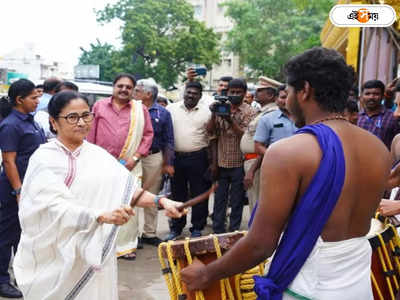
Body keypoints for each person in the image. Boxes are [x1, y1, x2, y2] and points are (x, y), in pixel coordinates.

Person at [181, 47, 391, 299]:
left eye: (288, 91)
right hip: (358, 288)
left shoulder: (288, 152)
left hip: (307, 289)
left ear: (304, 90)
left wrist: (206, 274)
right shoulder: (378, 148)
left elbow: (261, 244)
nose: (287, 99)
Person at [13, 90, 184, 300]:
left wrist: (162, 201)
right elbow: (51, 206)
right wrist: (99, 216)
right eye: (72, 117)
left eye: (86, 115)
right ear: (53, 122)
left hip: (94, 252)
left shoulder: (98, 155)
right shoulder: (44, 159)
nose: (81, 123)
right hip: (57, 254)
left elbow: (127, 191)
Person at [87, 73, 154, 260]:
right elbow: (91, 134)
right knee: (103, 202)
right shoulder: (99, 106)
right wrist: (91, 158)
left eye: (128, 87)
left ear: (133, 90)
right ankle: (102, 245)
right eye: (120, 86)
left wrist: (136, 157)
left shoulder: (140, 110)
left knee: (128, 202)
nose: (124, 89)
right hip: (101, 163)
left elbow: (148, 135)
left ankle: (126, 246)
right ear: (114, 87)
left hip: (130, 165)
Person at [0, 79, 46, 298]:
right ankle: (1, 281)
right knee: (6, 236)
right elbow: (9, 161)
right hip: (14, 189)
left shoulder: (31, 121)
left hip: (32, 187)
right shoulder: (11, 125)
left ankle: (23, 274)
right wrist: (18, 191)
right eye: (34, 97)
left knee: (23, 234)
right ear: (20, 100)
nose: (38, 101)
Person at [207, 78, 255, 234]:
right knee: (219, 199)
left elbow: (246, 137)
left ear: (244, 93)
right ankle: (218, 231)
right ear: (227, 93)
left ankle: (234, 231)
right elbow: (211, 132)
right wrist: (215, 114)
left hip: (239, 163)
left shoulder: (250, 112)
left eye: (238, 92)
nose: (234, 95)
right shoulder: (221, 107)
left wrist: (229, 119)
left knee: (237, 200)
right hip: (221, 161)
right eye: (232, 92)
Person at [165, 81, 212, 240]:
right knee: (178, 195)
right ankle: (176, 228)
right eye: (189, 92)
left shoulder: (207, 112)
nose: (191, 95)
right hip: (176, 158)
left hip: (198, 157)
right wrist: (168, 161)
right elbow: (167, 136)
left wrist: (211, 163)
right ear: (184, 92)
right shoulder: (171, 109)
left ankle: (197, 227)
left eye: (195, 93)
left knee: (199, 193)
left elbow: (212, 138)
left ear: (200, 96)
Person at [133, 79, 174, 246]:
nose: (133, 93)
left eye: (137, 91)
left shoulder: (163, 113)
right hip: (133, 158)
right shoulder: (131, 110)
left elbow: (169, 140)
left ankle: (149, 233)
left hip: (153, 158)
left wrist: (168, 163)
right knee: (131, 195)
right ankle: (132, 236)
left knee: (152, 196)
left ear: (148, 94)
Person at [241, 79, 279, 214]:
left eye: (259, 90)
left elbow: (267, 144)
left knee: (258, 204)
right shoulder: (263, 112)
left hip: (258, 162)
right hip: (252, 161)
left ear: (270, 95)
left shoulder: (271, 114)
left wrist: (252, 169)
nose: (255, 92)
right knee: (254, 201)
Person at [357, 79, 400, 149]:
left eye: (376, 94)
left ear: (383, 96)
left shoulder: (393, 117)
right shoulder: (357, 118)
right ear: (361, 96)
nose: (371, 97)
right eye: (367, 94)